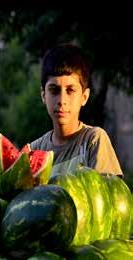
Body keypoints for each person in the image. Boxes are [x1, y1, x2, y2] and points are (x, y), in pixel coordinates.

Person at [30, 43, 123, 177]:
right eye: (54, 90)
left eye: (70, 90)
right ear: (44, 95)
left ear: (84, 97)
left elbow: (110, 195)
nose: (62, 100)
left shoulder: (93, 140)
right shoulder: (34, 151)